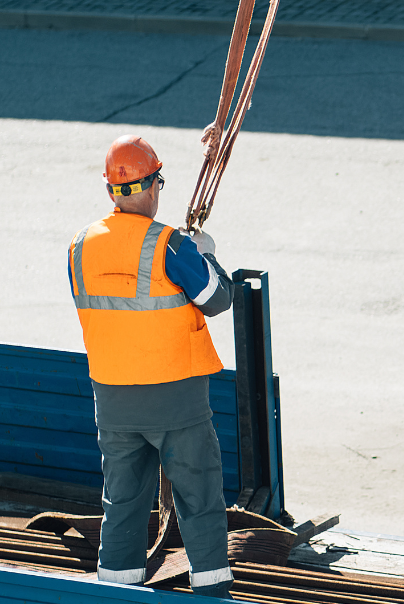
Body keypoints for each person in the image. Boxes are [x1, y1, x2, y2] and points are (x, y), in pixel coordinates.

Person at [67, 134, 234, 598]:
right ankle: (212, 593)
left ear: (110, 191)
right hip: (175, 398)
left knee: (121, 504)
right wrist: (206, 254)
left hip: (114, 401)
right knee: (198, 500)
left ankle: (116, 592)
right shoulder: (169, 245)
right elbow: (218, 299)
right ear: (153, 185)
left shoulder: (80, 246)